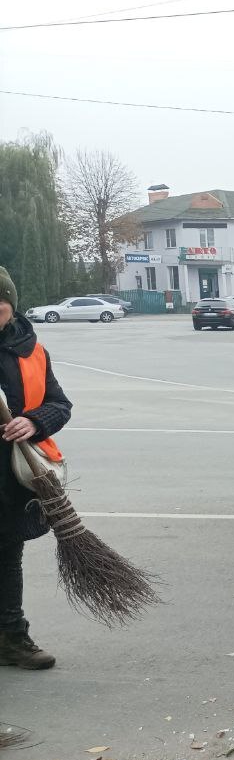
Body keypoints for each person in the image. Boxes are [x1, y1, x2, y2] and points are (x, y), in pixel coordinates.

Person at [0, 266, 72, 670]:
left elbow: (60, 403)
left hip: (11, 475)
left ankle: (11, 637)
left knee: (7, 556)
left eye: (0, 304)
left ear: (11, 305)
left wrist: (34, 421)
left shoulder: (32, 350)